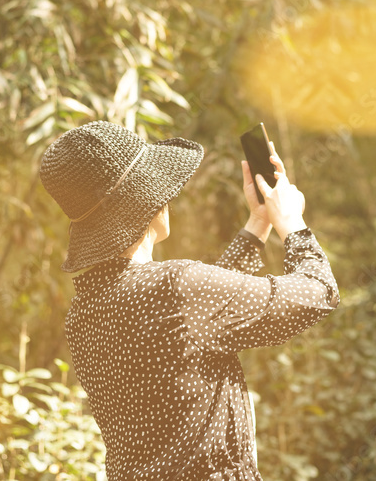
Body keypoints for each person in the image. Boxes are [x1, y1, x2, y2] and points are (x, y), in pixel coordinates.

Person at [39, 121, 339, 480]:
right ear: (146, 200)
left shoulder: (83, 312)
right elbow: (318, 291)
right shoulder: (177, 289)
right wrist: (291, 222)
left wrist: (258, 224)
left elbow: (196, 327)